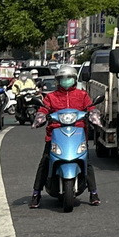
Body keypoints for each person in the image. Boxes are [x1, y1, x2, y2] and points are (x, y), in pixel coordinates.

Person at [30, 65, 102, 208]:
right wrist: (40, 116)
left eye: (68, 78)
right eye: (62, 78)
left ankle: (93, 193)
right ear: (57, 80)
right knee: (45, 161)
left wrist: (94, 116)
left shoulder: (82, 95)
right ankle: (36, 194)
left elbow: (90, 108)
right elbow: (43, 109)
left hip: (78, 134)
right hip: (55, 135)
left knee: (86, 161)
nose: (65, 80)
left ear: (74, 79)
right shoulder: (51, 97)